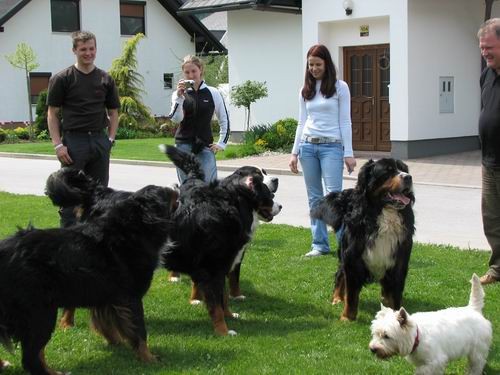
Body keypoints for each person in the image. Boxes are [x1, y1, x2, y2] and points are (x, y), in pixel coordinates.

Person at [289, 44, 356, 257]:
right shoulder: (305, 90)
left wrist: (349, 153)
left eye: (318, 64)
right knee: (315, 198)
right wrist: (294, 152)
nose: (314, 68)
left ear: (327, 64)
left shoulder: (340, 87)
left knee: (334, 196)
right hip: (308, 146)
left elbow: (345, 121)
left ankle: (344, 245)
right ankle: (319, 244)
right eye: (311, 65)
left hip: (332, 147)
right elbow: (301, 122)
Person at [47, 30, 120, 228]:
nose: (88, 53)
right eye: (83, 49)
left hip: (99, 141)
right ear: (74, 50)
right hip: (73, 143)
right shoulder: (63, 78)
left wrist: (110, 140)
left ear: (96, 49)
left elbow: (114, 112)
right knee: (70, 195)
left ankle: (95, 245)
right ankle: (68, 243)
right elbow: (52, 113)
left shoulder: (105, 79)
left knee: (99, 196)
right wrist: (58, 145)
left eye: (91, 48)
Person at [168, 55, 230, 183]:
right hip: (183, 145)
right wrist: (179, 97)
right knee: (187, 187)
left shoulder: (213, 92)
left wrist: (221, 143)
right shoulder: (178, 94)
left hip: (205, 145)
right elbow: (176, 119)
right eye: (187, 72)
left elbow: (224, 119)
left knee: (209, 185)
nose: (191, 75)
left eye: (194, 71)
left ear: (200, 69)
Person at [477, 18, 500, 285]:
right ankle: (497, 269)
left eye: (489, 47)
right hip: (488, 161)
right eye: (482, 48)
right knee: (492, 219)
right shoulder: (486, 75)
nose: (485, 52)